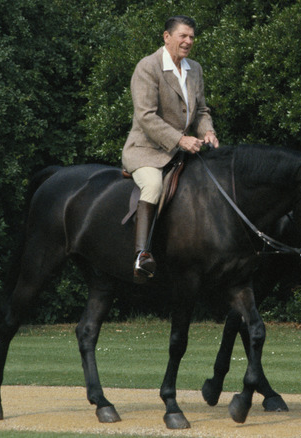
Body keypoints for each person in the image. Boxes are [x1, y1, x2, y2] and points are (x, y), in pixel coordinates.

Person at [122, 15, 219, 281]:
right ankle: (142, 255)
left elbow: (200, 110)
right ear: (167, 37)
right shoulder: (148, 67)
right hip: (146, 149)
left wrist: (207, 131)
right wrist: (179, 139)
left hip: (183, 150)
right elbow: (146, 116)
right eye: (183, 36)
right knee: (153, 185)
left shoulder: (194, 68)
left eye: (191, 37)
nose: (188, 41)